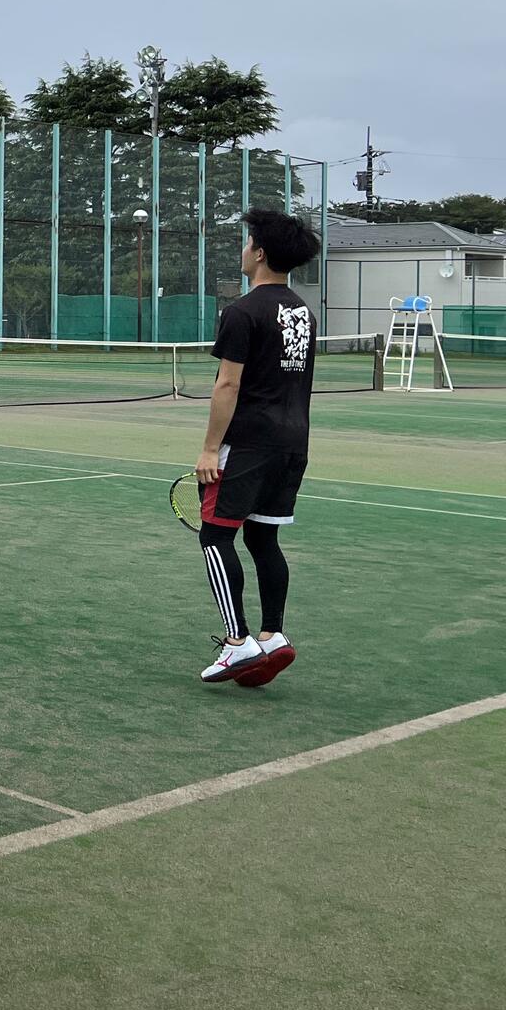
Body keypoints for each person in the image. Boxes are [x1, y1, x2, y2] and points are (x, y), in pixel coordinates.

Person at [194, 207, 323, 686]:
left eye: (248, 242)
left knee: (215, 536)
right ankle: (272, 637)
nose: (243, 249)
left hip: (247, 444)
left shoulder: (242, 311)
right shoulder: (303, 312)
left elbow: (228, 386)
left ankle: (238, 643)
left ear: (260, 252)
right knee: (262, 537)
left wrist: (210, 449)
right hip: (293, 443)